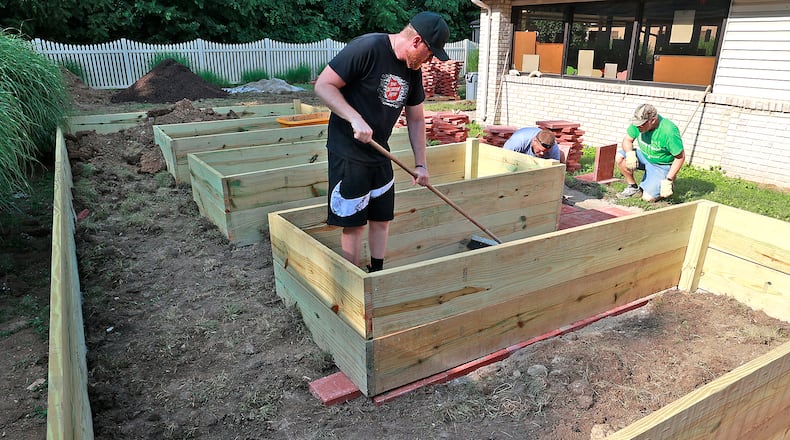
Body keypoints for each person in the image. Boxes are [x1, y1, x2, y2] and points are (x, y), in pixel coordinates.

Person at [313, 11, 450, 272]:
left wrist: (421, 164)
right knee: (353, 223)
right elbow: (323, 85)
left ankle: (376, 271)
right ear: (416, 41)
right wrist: (354, 118)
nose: (430, 60)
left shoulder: (413, 69)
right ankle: (352, 281)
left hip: (379, 151)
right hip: (348, 151)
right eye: (430, 53)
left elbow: (417, 118)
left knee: (382, 217)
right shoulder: (367, 48)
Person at [616, 103, 685, 202]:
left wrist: (669, 179)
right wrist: (629, 154)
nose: (638, 127)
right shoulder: (638, 124)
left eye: (641, 124)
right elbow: (627, 140)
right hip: (644, 156)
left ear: (652, 120)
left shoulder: (668, 131)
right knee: (620, 157)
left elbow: (680, 157)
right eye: (637, 124)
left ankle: (667, 182)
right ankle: (633, 187)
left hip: (661, 164)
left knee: (648, 198)